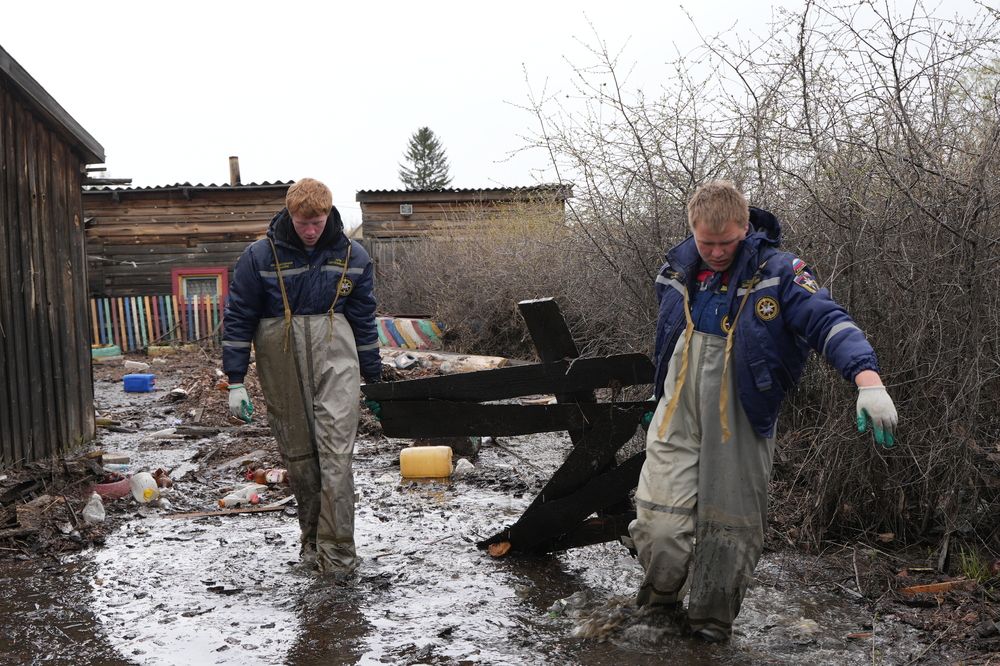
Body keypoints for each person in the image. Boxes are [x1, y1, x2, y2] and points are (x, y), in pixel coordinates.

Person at [628, 180, 898, 641]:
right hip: (677, 413)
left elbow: (828, 321)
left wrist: (866, 379)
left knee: (728, 529)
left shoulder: (781, 272)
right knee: (659, 523)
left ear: (746, 226)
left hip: (742, 415)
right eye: (705, 242)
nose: (715, 252)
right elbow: (668, 343)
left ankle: (709, 626)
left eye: (726, 242)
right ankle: (657, 611)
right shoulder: (673, 271)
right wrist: (658, 398)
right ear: (691, 229)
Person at [222, 177, 381, 576]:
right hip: (282, 363)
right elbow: (240, 317)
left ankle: (340, 557)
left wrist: (376, 383)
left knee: (336, 460)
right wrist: (236, 380)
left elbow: (363, 322)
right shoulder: (259, 257)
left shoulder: (353, 256)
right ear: (289, 215)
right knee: (301, 460)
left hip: (336, 363)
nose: (310, 231)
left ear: (329, 215)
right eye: (302, 223)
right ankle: (312, 546)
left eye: (317, 222)